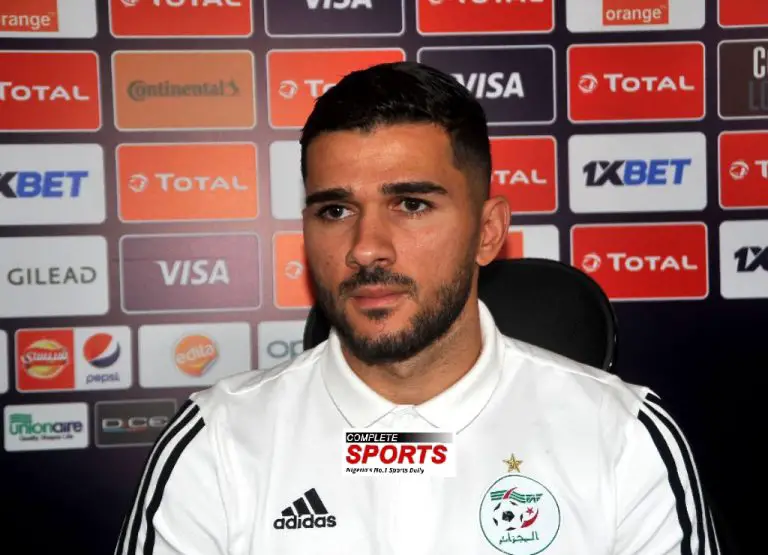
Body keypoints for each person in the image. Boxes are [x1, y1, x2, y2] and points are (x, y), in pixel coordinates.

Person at [115, 61, 718, 555]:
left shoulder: (622, 437)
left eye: (410, 204)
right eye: (335, 210)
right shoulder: (218, 442)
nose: (366, 248)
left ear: (488, 231)